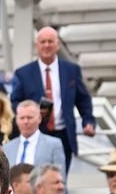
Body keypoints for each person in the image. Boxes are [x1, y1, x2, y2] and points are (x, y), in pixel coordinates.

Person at [10, 26, 96, 169]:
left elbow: (83, 99)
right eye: (43, 42)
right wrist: (30, 113)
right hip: (37, 134)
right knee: (36, 177)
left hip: (64, 135)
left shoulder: (71, 70)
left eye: (50, 41)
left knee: (59, 179)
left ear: (58, 45)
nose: (47, 45)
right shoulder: (23, 73)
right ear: (37, 45)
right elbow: (15, 102)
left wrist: (88, 121)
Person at [1, 101, 65, 176]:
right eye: (22, 118)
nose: (25, 121)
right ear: (16, 120)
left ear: (39, 118)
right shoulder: (7, 148)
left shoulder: (53, 145)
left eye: (29, 117)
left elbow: (61, 178)